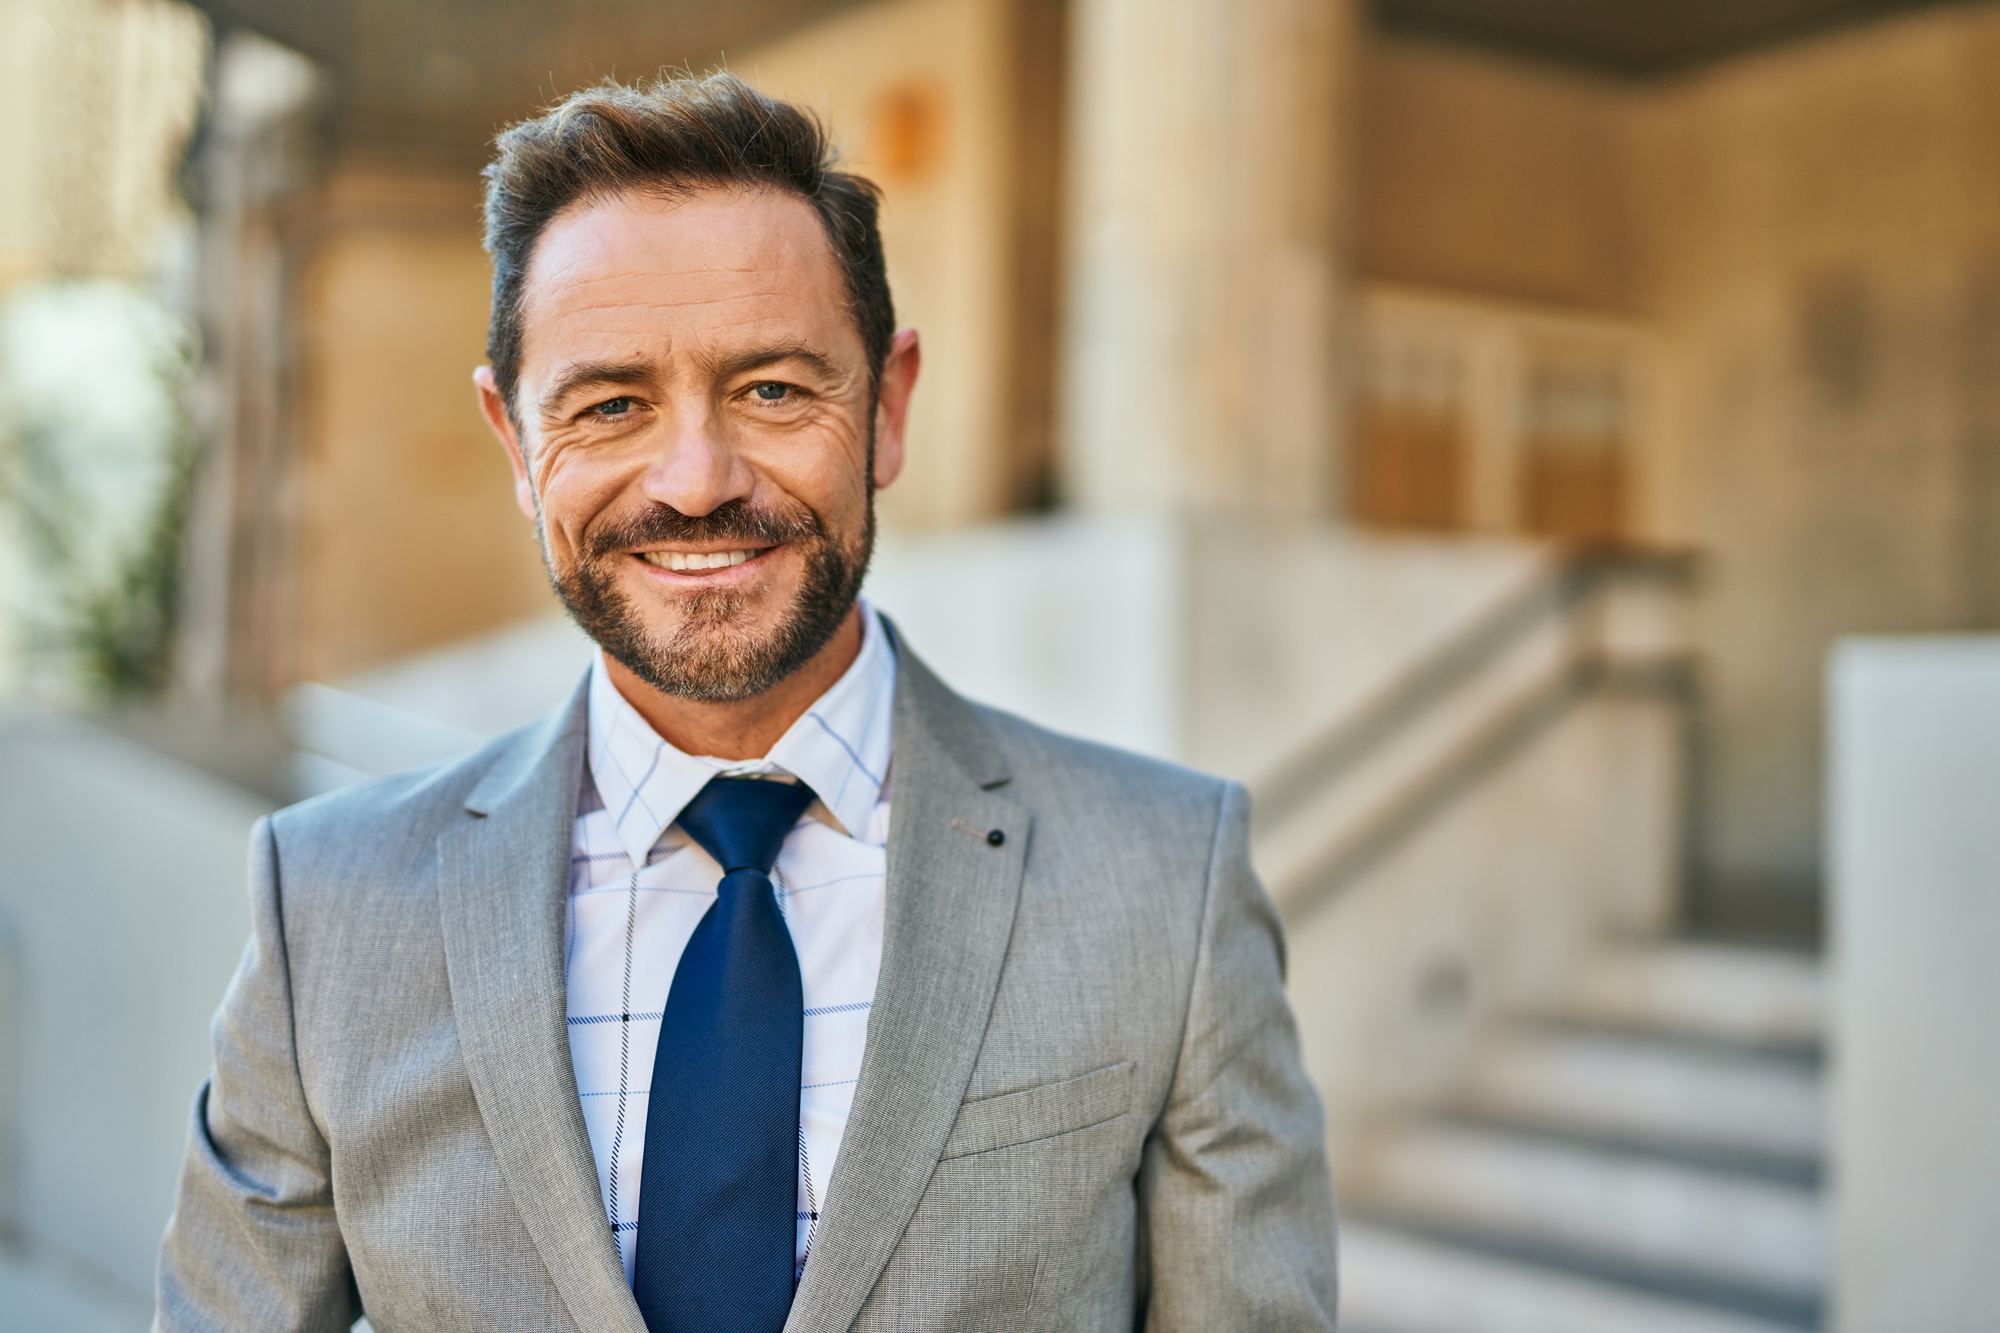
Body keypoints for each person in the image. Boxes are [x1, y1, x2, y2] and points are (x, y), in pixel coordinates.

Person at [155, 72, 1337, 1333]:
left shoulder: (1165, 879)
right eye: (610, 404)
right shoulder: (325, 906)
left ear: (884, 405)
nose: (696, 480)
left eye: (773, 388)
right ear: (512, 440)